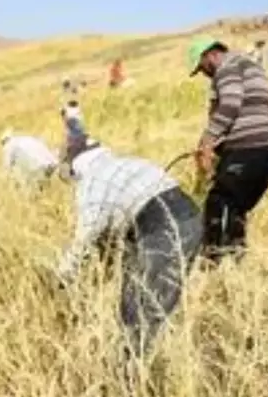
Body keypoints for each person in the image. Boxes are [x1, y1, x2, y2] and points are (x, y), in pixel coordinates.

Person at [54, 135, 203, 359]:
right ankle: (145, 361)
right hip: (189, 217)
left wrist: (64, 274)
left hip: (160, 227)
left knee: (144, 313)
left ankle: (134, 377)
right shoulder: (128, 162)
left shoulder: (92, 181)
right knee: (143, 302)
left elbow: (88, 233)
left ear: (73, 166)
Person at [187, 37, 268, 264]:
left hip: (247, 149)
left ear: (210, 56)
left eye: (202, 68)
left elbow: (231, 103)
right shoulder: (251, 67)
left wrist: (207, 140)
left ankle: (213, 263)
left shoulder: (227, 68)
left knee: (219, 203)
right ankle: (235, 264)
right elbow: (256, 110)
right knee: (235, 208)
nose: (205, 74)